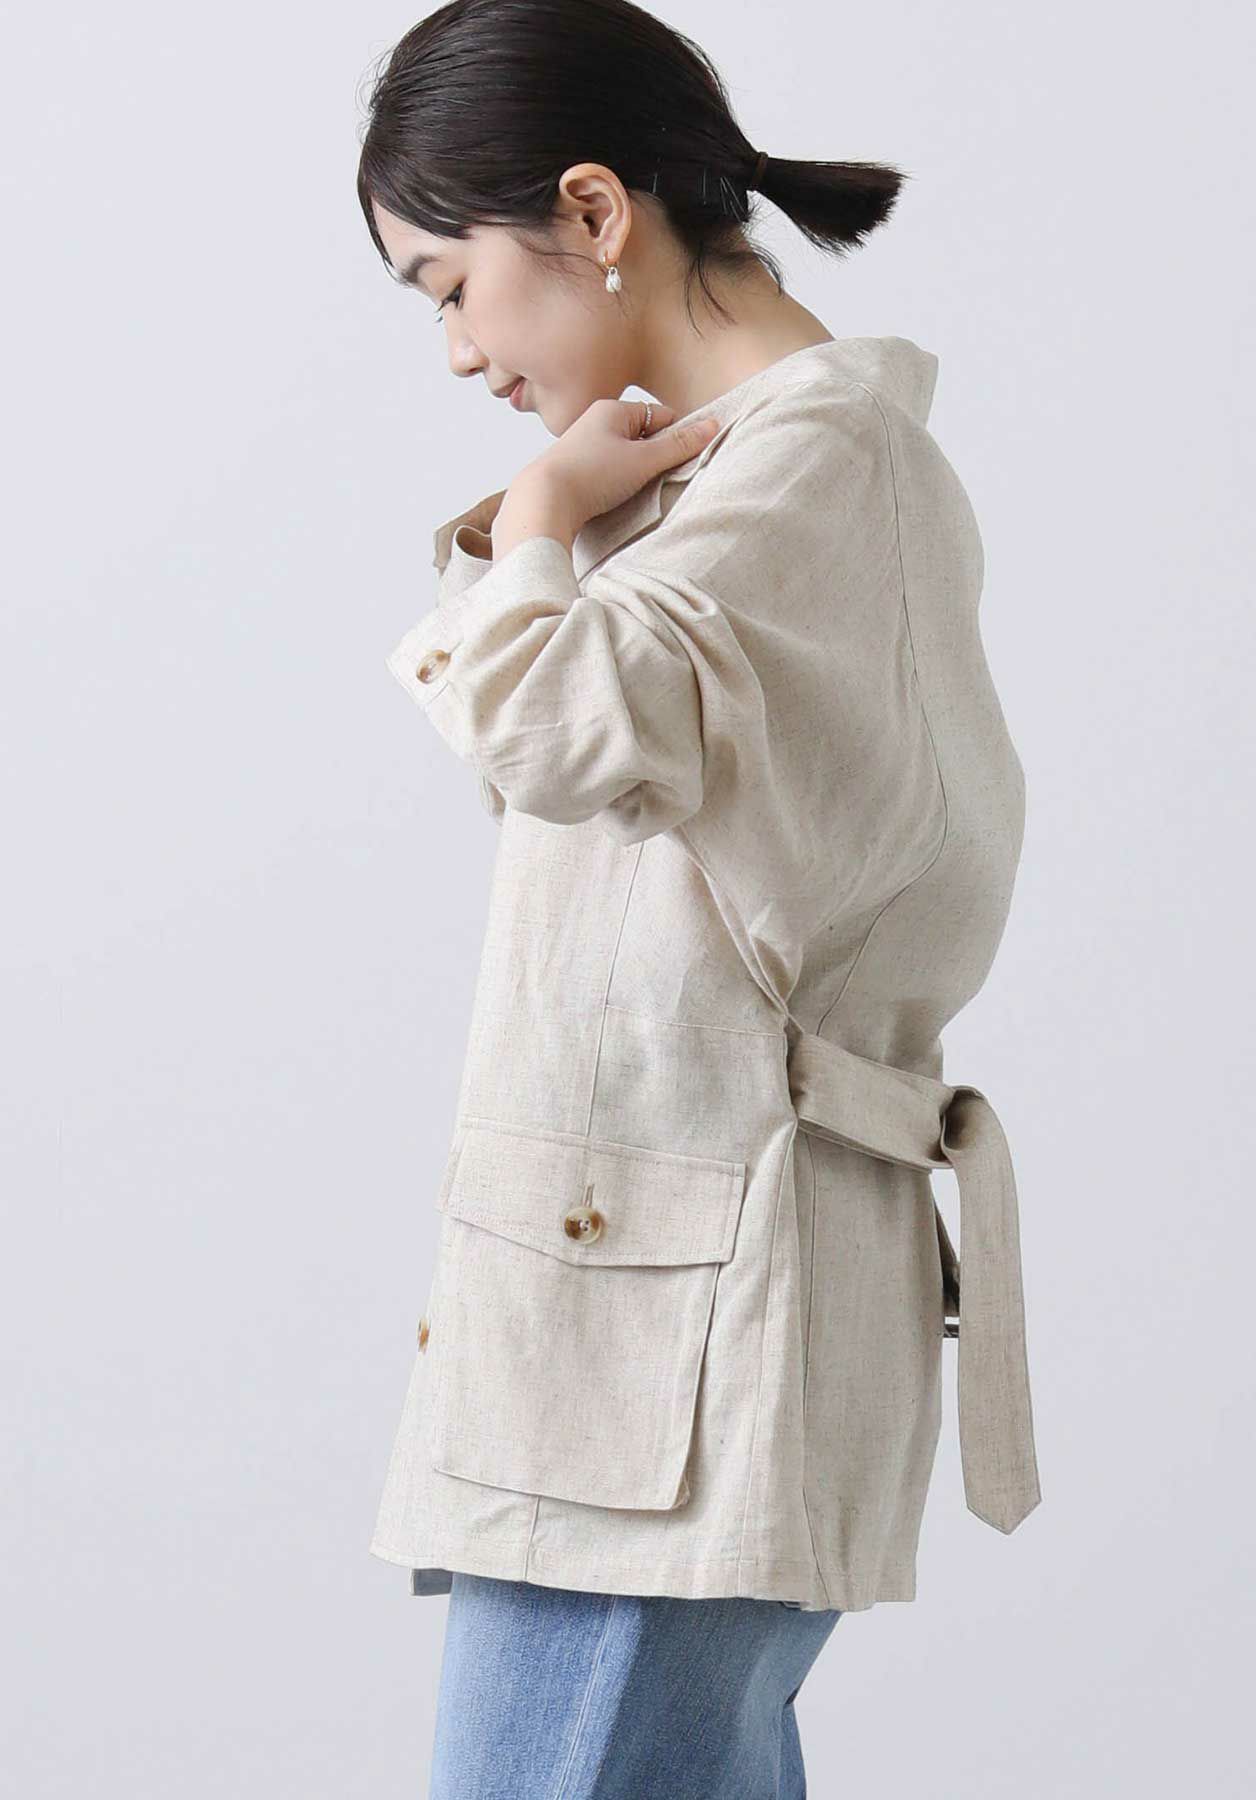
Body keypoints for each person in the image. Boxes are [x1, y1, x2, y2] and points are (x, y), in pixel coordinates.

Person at [355, 2, 1041, 1794]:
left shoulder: (817, 464)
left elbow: (549, 730)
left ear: (594, 214)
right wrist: (564, 527)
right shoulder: (751, 474)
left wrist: (530, 526)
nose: (455, 349)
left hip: (673, 1349)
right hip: (646, 1326)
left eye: (449, 285)